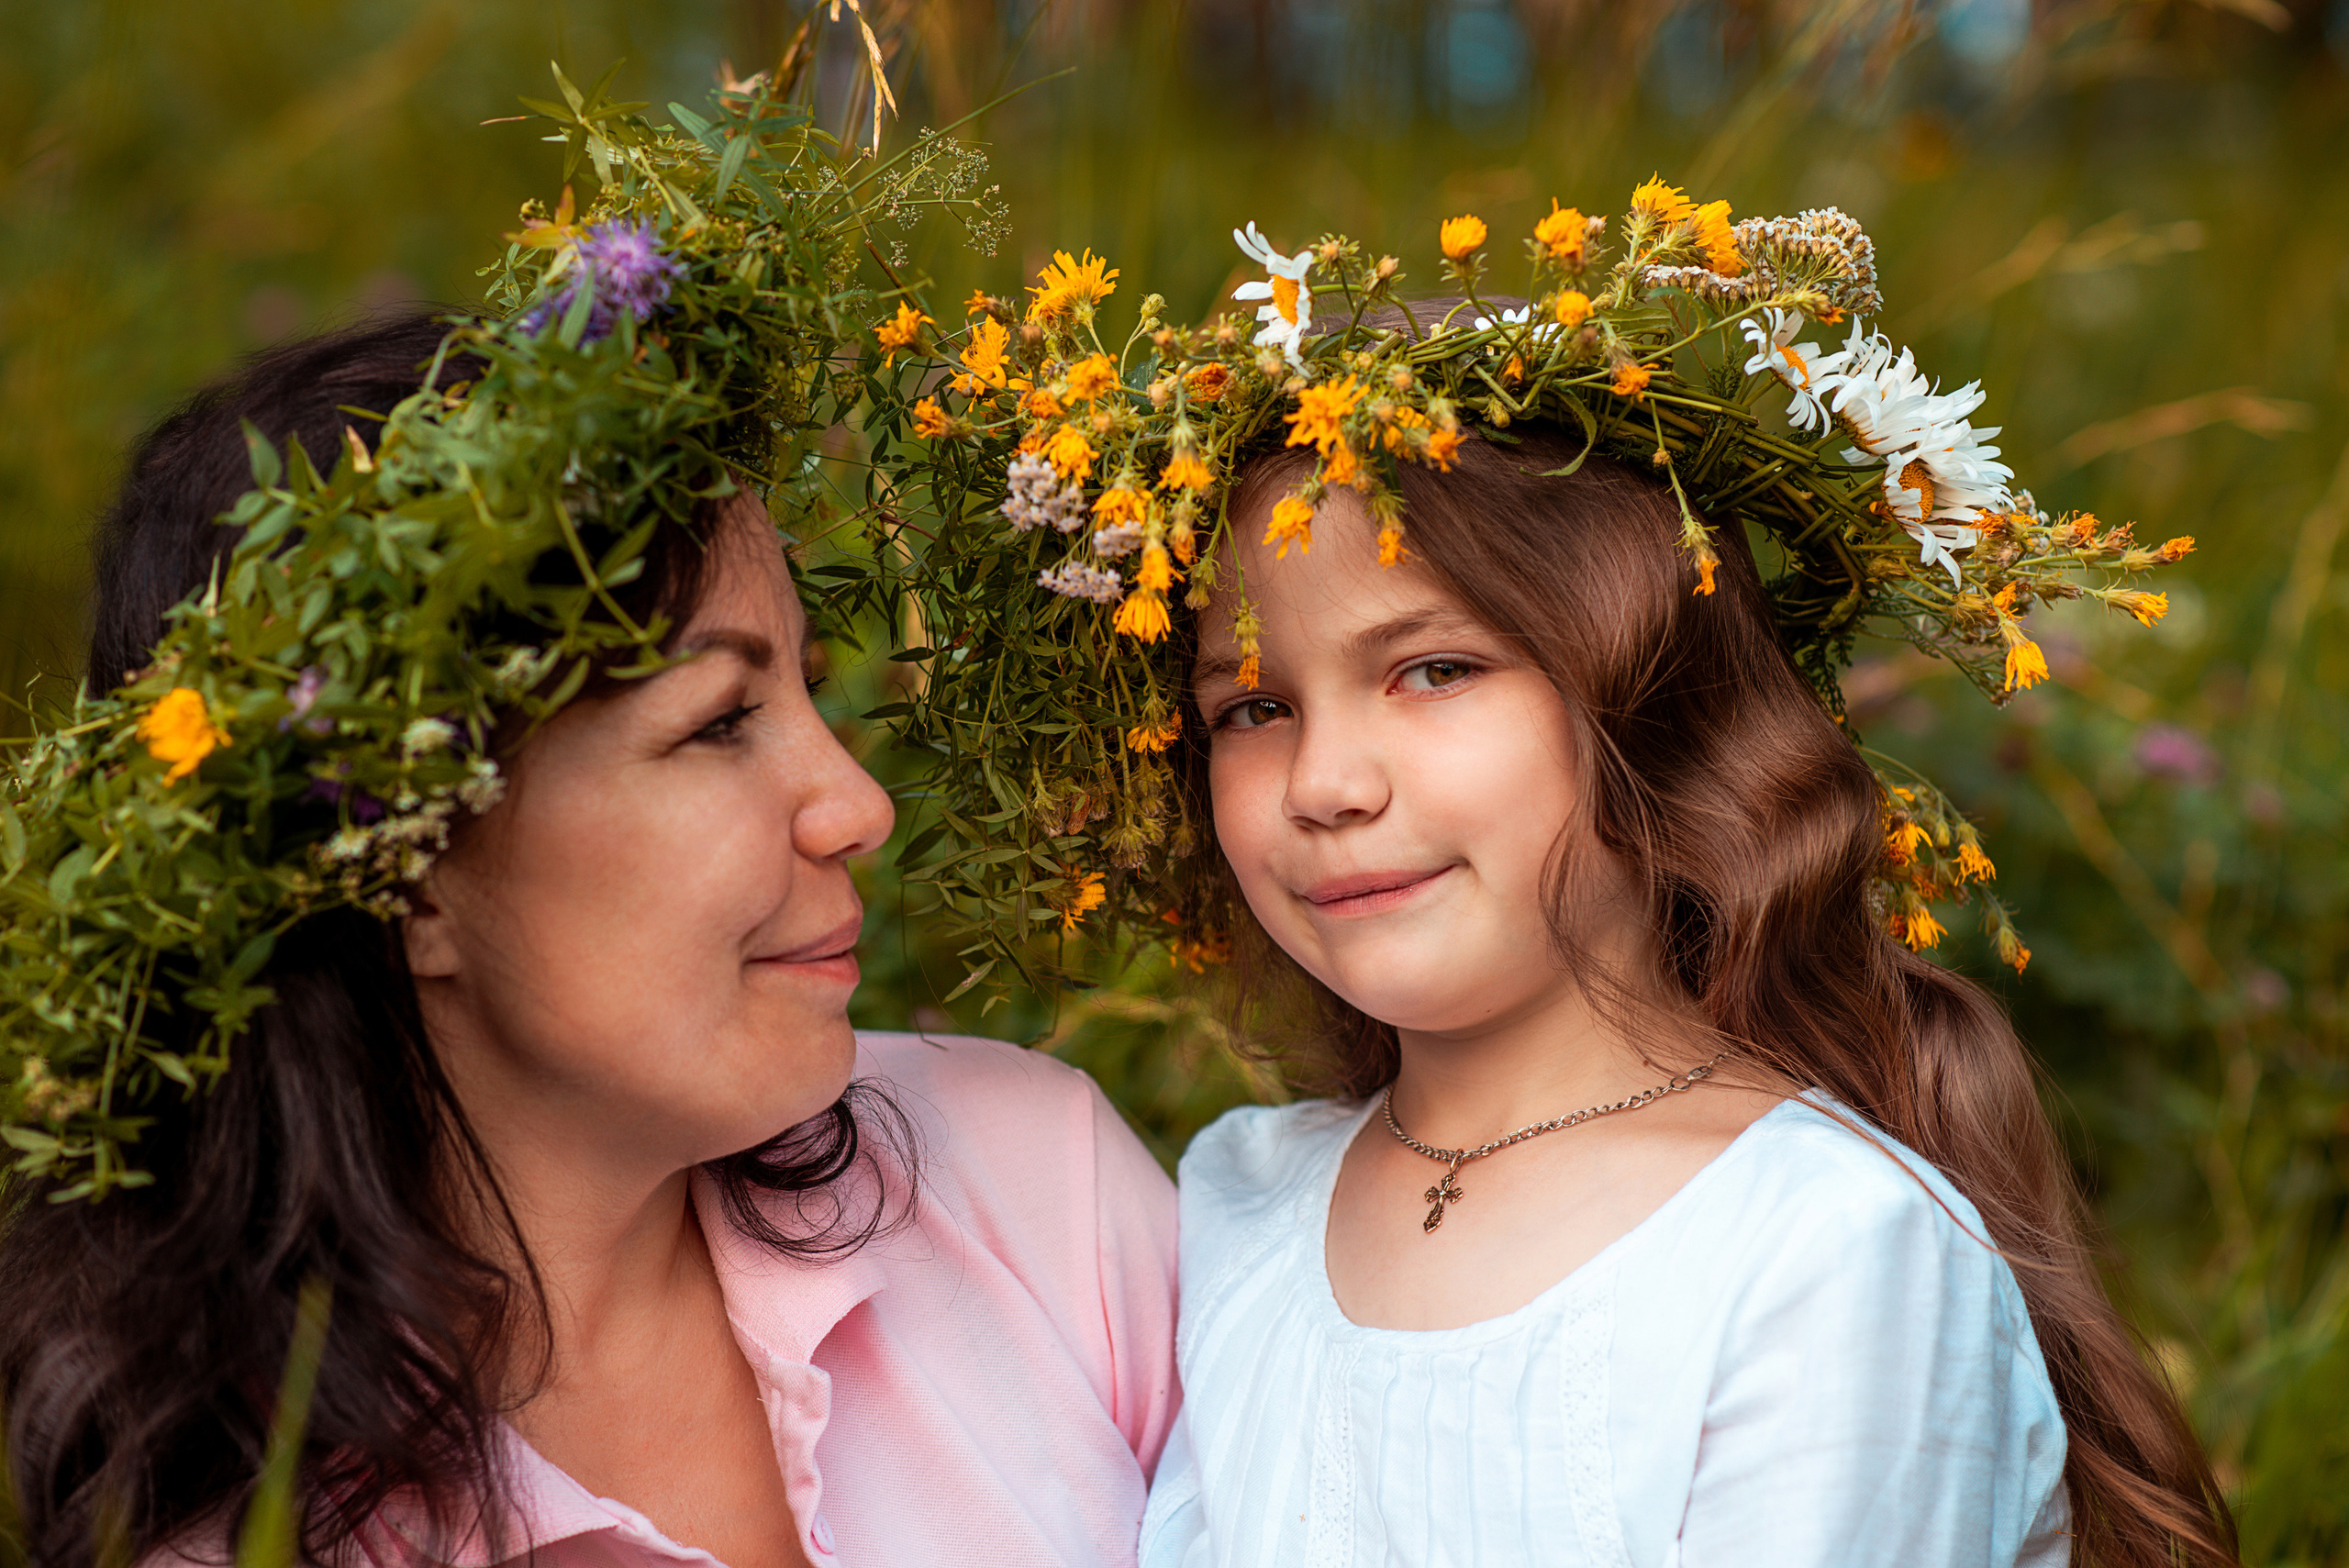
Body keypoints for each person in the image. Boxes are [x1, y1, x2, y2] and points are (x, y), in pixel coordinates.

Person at [874, 192, 2238, 1567]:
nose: (1325, 781)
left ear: (1648, 698)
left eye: (1434, 670)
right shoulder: (1242, 1205)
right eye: (1250, 706)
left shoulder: (1826, 1248)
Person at [0, 301, 1175, 1567]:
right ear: (407, 877)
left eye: (805, 685)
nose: (857, 806)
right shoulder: (241, 1536)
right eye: (720, 720)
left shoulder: (1035, 1188)